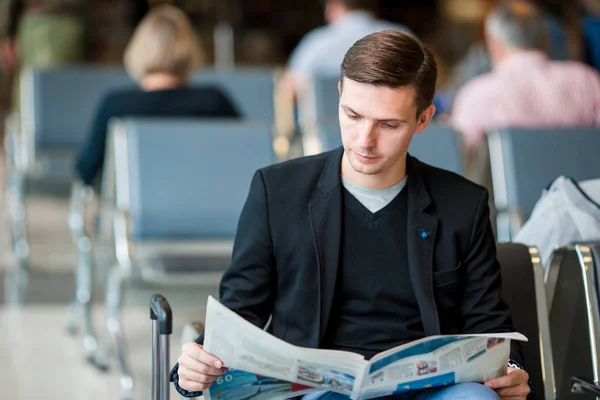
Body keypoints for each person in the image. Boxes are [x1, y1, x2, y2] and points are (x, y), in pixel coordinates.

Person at [171, 30, 531, 400]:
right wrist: (197, 363)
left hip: (430, 388)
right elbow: (240, 314)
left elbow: (489, 324)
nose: (364, 140)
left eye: (388, 124)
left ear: (423, 119)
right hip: (316, 389)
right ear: (340, 93)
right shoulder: (276, 191)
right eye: (353, 115)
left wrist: (513, 373)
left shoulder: (462, 204)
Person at [74, 5, 239, 186]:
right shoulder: (214, 102)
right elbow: (245, 156)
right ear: (191, 50)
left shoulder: (116, 106)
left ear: (137, 50)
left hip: (133, 212)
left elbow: (85, 171)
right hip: (208, 209)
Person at [451, 0, 600, 153]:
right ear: (546, 40)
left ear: (493, 44)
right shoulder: (587, 81)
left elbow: (459, 157)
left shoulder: (477, 96)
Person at [281, 0, 412, 101]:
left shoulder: (317, 43)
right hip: (393, 127)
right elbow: (426, 86)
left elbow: (288, 90)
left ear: (334, 5)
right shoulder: (402, 36)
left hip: (327, 130)